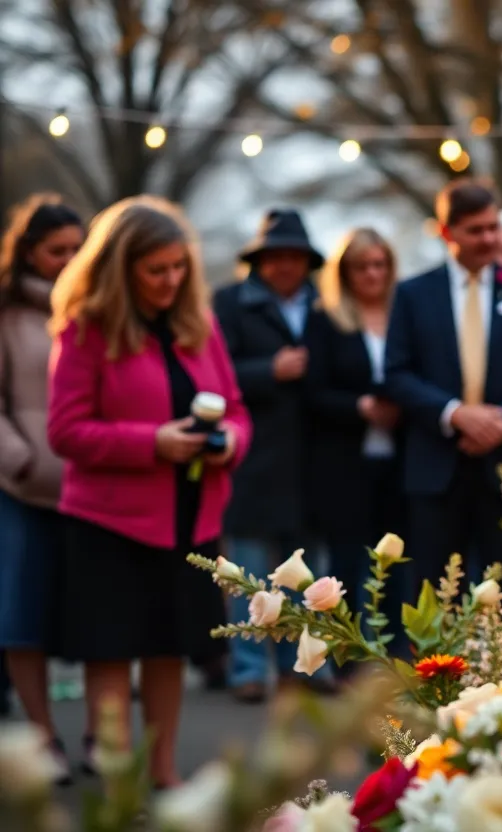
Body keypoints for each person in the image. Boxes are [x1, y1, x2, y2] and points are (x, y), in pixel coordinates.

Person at [46, 196, 250, 787]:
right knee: (110, 655)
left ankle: (163, 772)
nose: (171, 280)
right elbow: (65, 430)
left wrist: (228, 443)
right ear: (120, 266)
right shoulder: (86, 330)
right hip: (108, 523)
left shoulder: (199, 325)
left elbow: (237, 410)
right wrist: (151, 442)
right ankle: (119, 785)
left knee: (169, 652)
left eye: (178, 267)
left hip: (189, 522)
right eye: (155, 269)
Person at [384, 179, 502, 589]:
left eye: (493, 227)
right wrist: (456, 414)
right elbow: (397, 373)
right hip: (436, 468)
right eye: (476, 230)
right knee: (436, 596)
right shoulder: (413, 294)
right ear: (447, 232)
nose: (489, 239)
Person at [213, 208, 330, 703]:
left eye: (294, 257)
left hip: (311, 456)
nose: (285, 265)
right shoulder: (229, 303)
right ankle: (247, 669)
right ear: (259, 260)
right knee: (248, 571)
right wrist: (269, 370)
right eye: (275, 256)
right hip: (254, 456)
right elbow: (213, 374)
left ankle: (300, 668)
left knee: (305, 571)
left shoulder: (326, 305)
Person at [0, 194, 84, 779]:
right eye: (58, 251)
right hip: (21, 490)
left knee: (81, 619)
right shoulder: (6, 314)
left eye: (79, 250)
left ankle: (105, 744)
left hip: (90, 490)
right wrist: (18, 457)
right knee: (22, 617)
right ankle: (42, 740)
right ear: (30, 252)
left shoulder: (93, 309)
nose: (69, 260)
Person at [304, 228, 406, 667]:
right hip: (345, 461)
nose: (372, 274)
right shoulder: (325, 318)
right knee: (347, 565)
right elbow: (313, 394)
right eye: (362, 266)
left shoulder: (406, 315)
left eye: (379, 264)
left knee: (395, 566)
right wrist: (360, 407)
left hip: (400, 460)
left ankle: (394, 661)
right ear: (345, 272)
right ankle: (348, 663)